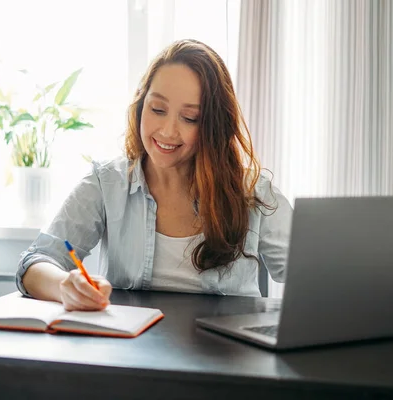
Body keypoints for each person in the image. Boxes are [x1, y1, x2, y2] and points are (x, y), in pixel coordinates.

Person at [16, 39, 292, 311]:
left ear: (213, 125)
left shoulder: (253, 192)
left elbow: (313, 278)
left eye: (190, 118)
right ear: (140, 105)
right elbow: (35, 262)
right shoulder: (106, 182)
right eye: (157, 110)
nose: (168, 131)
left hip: (227, 354)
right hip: (131, 350)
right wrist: (65, 285)